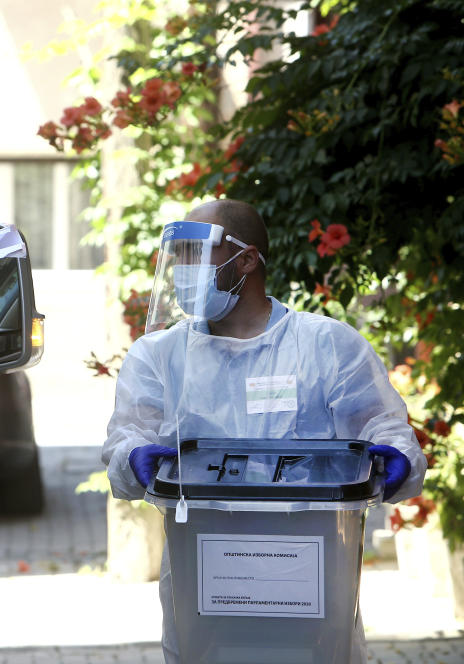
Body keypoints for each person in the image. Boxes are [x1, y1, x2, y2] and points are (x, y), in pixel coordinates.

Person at [101, 199, 426, 664]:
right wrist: (132, 457)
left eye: (197, 254)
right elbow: (126, 438)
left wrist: (397, 457)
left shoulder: (326, 346)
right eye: (179, 256)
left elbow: (384, 425)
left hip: (311, 566)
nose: (182, 270)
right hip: (203, 571)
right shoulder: (158, 356)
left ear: (247, 259)